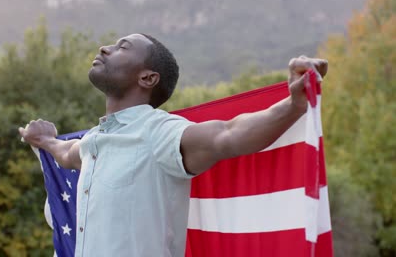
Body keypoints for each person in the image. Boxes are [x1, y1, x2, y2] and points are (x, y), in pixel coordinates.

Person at [19, 33, 328, 257]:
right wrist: (44, 139)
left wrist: (292, 105)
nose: (105, 47)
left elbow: (228, 134)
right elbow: (65, 154)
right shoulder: (92, 143)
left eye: (121, 47)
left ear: (147, 78)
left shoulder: (160, 133)